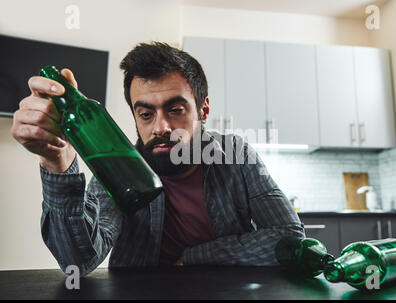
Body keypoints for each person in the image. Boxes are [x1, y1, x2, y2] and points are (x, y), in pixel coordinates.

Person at [11, 42, 304, 277]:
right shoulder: (119, 166)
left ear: (203, 111)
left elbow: (289, 238)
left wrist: (193, 256)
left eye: (175, 109)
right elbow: (78, 262)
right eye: (146, 114)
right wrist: (57, 161)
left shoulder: (237, 156)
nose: (160, 127)